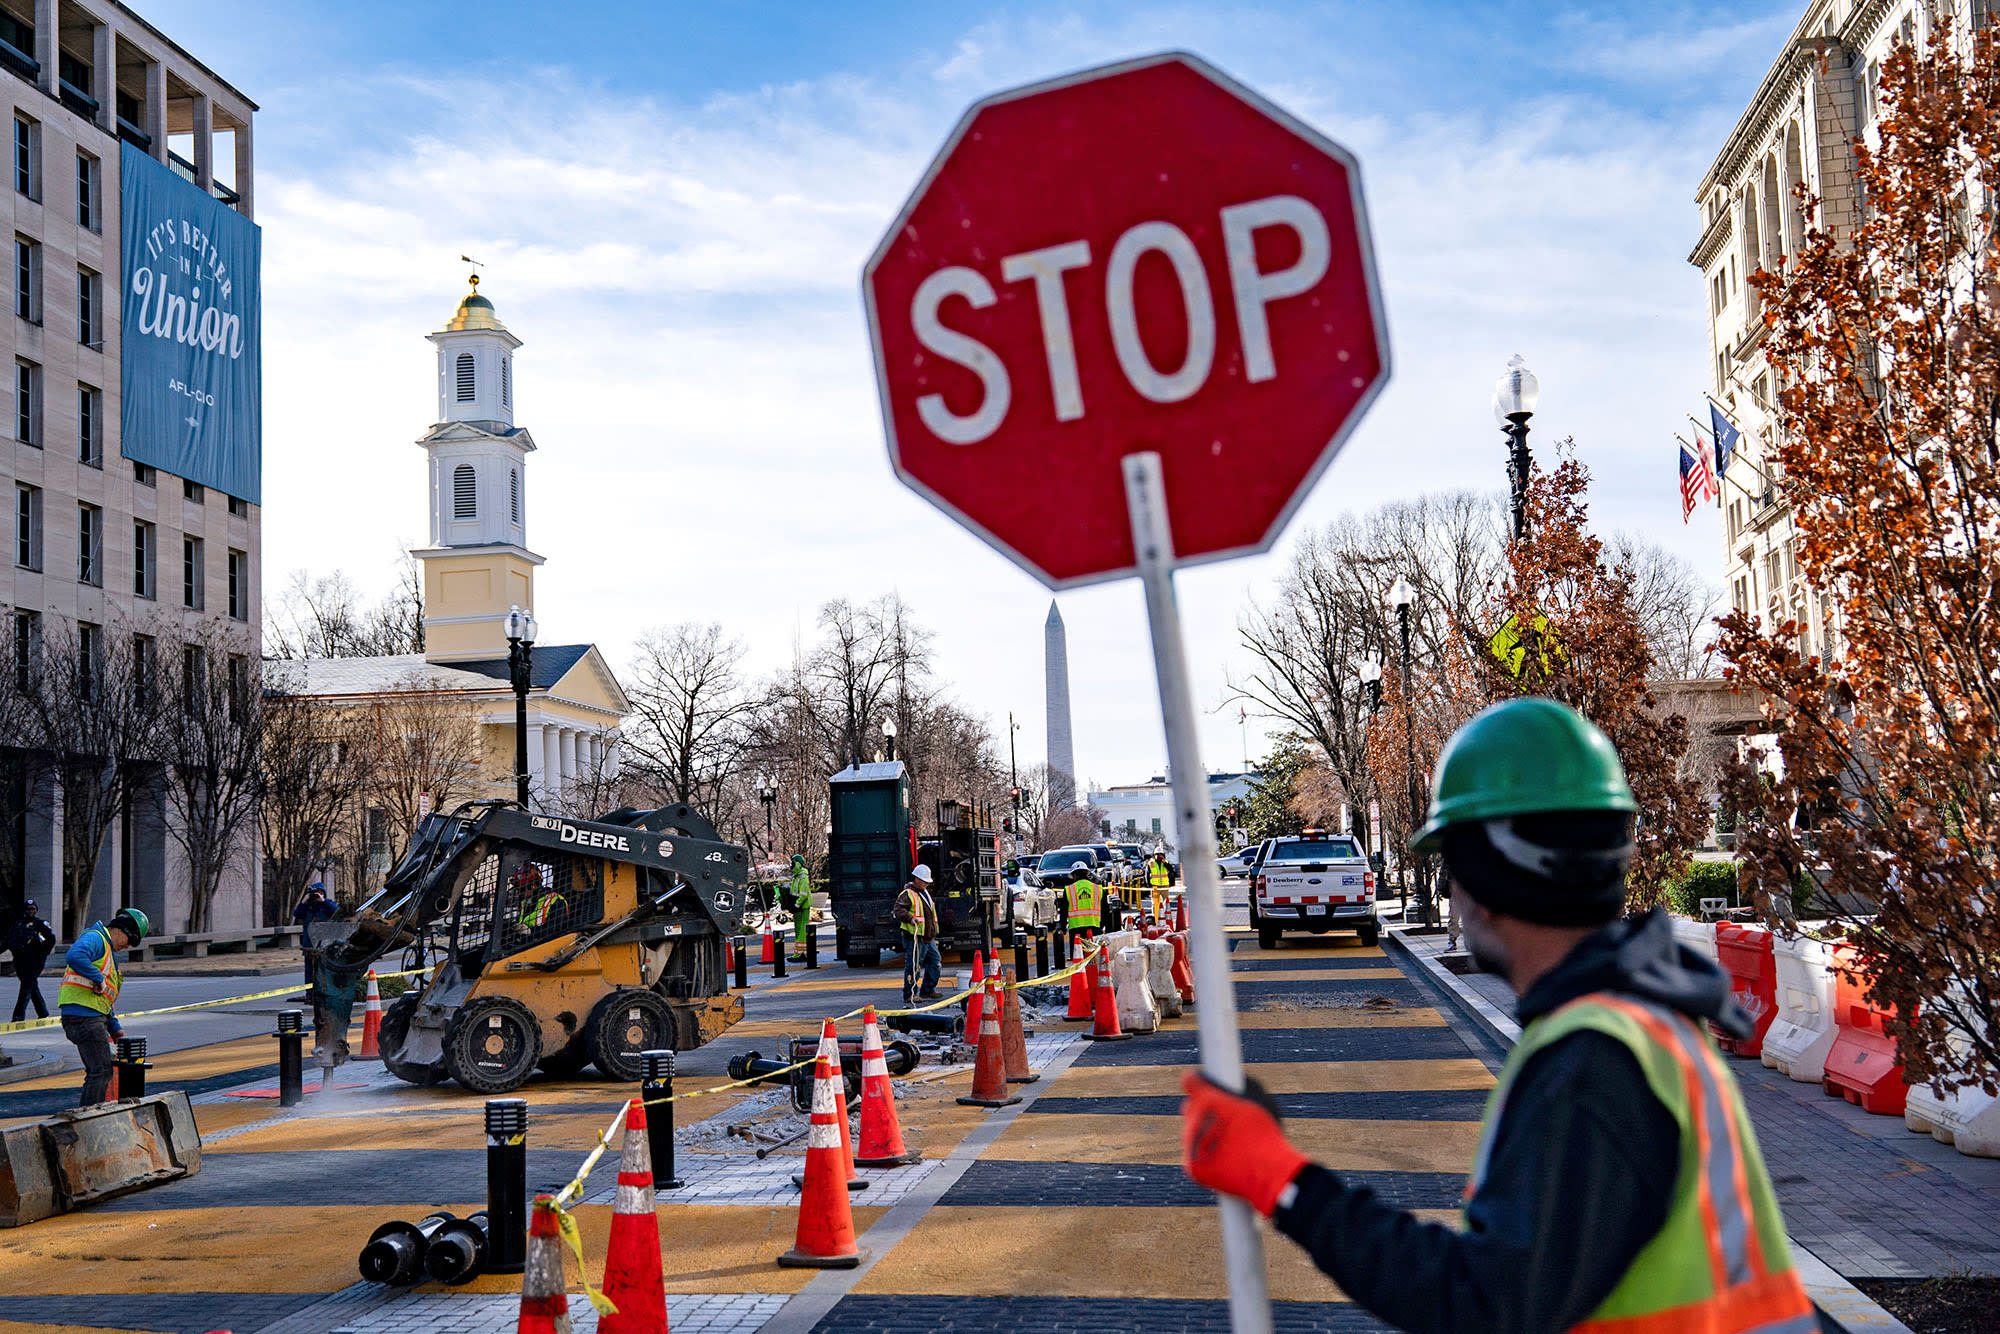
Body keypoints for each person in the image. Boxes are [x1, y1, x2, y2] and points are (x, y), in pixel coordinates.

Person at [1179, 698, 1815, 1334]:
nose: (1453, 892)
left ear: (1496, 874)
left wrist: (1281, 1181)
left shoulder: (1593, 1062)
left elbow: (1485, 1304)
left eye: (1456, 865)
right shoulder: (1639, 1023)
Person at [59, 907, 148, 1106]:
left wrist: (114, 1028)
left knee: (99, 1070)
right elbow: (74, 955)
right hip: (83, 1018)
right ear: (123, 930)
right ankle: (89, 1119)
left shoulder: (106, 951)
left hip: (90, 1017)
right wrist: (97, 977)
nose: (127, 947)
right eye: (130, 941)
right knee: (101, 1071)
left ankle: (90, 1115)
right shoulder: (97, 938)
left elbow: (104, 1000)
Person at [894, 864, 941, 1004]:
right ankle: (910, 993)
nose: (926, 884)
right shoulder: (907, 894)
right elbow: (898, 910)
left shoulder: (924, 892)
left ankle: (927, 990)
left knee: (935, 962)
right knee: (913, 966)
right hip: (914, 937)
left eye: (927, 882)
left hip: (927, 937)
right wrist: (910, 918)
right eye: (924, 881)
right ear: (916, 879)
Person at [6, 900, 57, 1022]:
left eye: (33, 909)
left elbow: (51, 939)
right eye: (28, 909)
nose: (31, 911)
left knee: (26, 986)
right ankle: (42, 1012)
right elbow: (8, 940)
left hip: (35, 961)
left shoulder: (41, 924)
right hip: (20, 961)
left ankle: (18, 1016)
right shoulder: (17, 924)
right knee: (31, 985)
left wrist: (43, 954)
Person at [293, 882, 337, 989]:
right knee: (309, 972)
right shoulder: (308, 907)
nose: (315, 895)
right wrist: (304, 901)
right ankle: (310, 994)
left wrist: (323, 901)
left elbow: (336, 911)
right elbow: (297, 914)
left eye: (318, 892)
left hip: (324, 945)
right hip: (309, 944)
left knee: (323, 970)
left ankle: (323, 992)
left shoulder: (327, 905)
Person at [786, 854, 814, 961]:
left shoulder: (803, 877)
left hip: (802, 908)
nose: (791, 865)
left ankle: (802, 954)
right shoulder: (796, 876)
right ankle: (798, 953)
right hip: (798, 908)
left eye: (793, 863)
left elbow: (803, 894)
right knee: (798, 930)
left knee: (802, 930)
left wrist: (796, 904)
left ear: (797, 864)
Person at [1065, 863, 1101, 939]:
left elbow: (1063, 910)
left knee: (1077, 950)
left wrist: (1062, 927)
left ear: (1074, 875)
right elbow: (1105, 909)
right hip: (1095, 927)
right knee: (1094, 950)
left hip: (1076, 929)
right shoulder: (1097, 888)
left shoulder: (1069, 889)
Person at [1147, 851, 1173, 922]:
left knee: (1166, 902)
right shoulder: (1151, 863)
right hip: (1155, 886)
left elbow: (1171, 870)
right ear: (1154, 855)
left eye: (1160, 854)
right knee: (1155, 903)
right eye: (1157, 854)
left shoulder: (1165, 863)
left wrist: (1165, 863)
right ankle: (1155, 918)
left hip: (1164, 885)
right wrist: (1149, 884)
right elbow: (1147, 874)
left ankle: (1166, 917)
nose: (1159, 856)